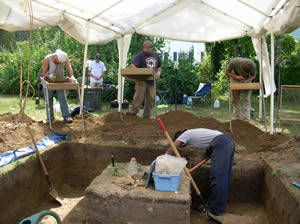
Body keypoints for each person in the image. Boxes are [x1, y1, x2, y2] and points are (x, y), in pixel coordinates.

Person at [166, 128, 235, 217]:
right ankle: (213, 205)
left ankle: (216, 209)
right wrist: (193, 168)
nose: (183, 145)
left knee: (218, 178)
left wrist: (164, 158)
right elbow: (206, 157)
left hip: (221, 143)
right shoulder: (206, 138)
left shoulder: (186, 134)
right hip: (227, 143)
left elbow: (173, 147)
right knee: (222, 178)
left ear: (179, 136)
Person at [126, 40, 162, 119]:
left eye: (148, 48)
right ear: (143, 47)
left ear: (152, 48)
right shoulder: (140, 55)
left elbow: (159, 65)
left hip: (152, 81)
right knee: (139, 94)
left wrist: (159, 72)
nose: (147, 50)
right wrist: (137, 72)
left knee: (150, 98)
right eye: (146, 48)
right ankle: (133, 111)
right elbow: (133, 65)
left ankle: (146, 116)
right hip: (142, 79)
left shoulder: (156, 55)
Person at [42, 49, 75, 123]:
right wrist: (49, 76)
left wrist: (72, 76)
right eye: (58, 62)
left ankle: (67, 116)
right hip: (49, 82)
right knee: (49, 100)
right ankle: (50, 119)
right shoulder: (47, 59)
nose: (59, 63)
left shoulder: (64, 57)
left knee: (63, 98)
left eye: (61, 63)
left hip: (60, 81)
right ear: (56, 57)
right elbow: (43, 73)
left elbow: (69, 66)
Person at [225, 57, 257, 121]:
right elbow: (227, 72)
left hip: (247, 78)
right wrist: (236, 77)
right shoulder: (234, 62)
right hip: (235, 76)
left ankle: (246, 120)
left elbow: (253, 75)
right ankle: (238, 119)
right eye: (244, 72)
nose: (245, 73)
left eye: (247, 72)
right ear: (240, 67)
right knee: (235, 99)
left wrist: (247, 81)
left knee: (246, 99)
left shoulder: (253, 65)